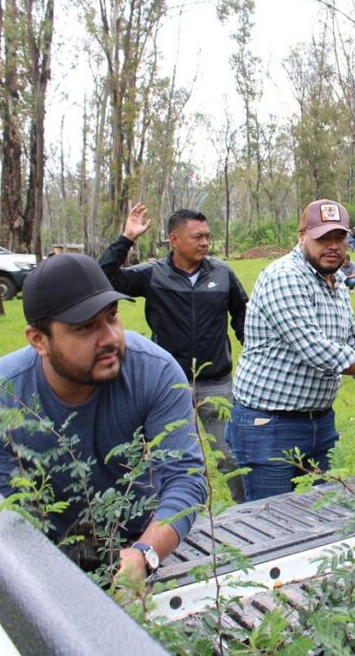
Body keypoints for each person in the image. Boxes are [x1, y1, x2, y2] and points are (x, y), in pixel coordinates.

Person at [0, 254, 206, 582]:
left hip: (138, 539)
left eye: (112, 317)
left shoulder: (154, 371)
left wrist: (145, 553)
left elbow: (185, 478)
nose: (110, 338)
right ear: (39, 340)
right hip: (41, 557)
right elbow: (1, 526)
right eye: (85, 326)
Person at [227, 200, 355, 501]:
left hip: (319, 421)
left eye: (339, 238)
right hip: (268, 426)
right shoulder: (285, 276)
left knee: (323, 515)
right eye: (322, 238)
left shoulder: (336, 280)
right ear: (301, 236)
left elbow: (349, 341)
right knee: (272, 524)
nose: (333, 246)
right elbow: (317, 350)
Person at [99, 205, 249, 503]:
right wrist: (126, 238)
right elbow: (104, 278)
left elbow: (243, 315)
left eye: (207, 236)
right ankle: (169, 518)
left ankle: (248, 508)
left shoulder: (222, 273)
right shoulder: (153, 274)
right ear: (175, 240)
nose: (205, 243)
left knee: (232, 456)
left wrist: (253, 354)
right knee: (169, 460)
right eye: (198, 237)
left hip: (217, 383)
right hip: (168, 386)